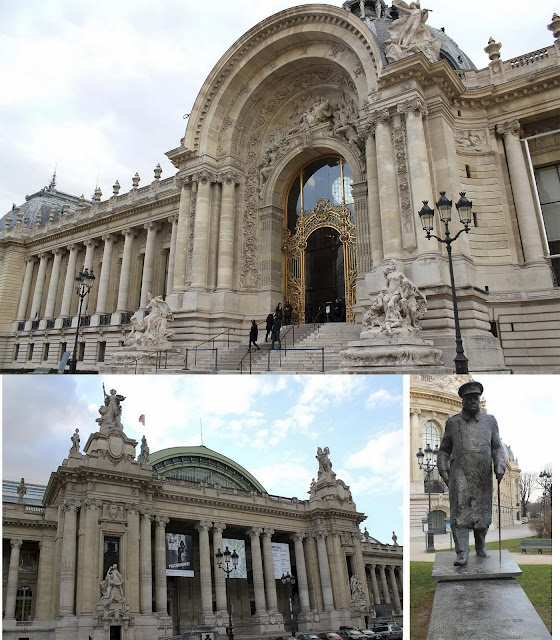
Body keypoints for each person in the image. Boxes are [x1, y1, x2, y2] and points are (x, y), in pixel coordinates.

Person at [437, 381, 506, 566]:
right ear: (463, 401)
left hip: (483, 473)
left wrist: (500, 464)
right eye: (469, 398)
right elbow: (443, 450)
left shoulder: (490, 421)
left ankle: (481, 546)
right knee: (460, 513)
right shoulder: (452, 422)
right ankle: (462, 552)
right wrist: (444, 472)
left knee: (483, 512)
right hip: (460, 473)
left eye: (476, 397)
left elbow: (497, 447)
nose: (474, 401)